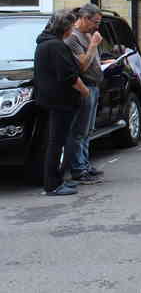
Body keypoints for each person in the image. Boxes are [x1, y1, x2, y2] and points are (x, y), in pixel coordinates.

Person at [34, 10, 90, 196]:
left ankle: (55, 181)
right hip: (60, 101)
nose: (72, 30)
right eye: (71, 27)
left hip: (50, 100)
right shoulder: (56, 46)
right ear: (64, 28)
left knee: (55, 142)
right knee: (56, 143)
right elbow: (69, 76)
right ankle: (53, 185)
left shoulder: (44, 44)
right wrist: (85, 91)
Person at [63, 3, 104, 185]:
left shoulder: (87, 34)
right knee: (79, 131)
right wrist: (94, 45)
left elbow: (92, 60)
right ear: (84, 18)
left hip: (94, 85)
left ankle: (85, 164)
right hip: (84, 86)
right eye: (95, 22)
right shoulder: (73, 37)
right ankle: (78, 169)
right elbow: (82, 65)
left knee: (88, 130)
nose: (96, 26)